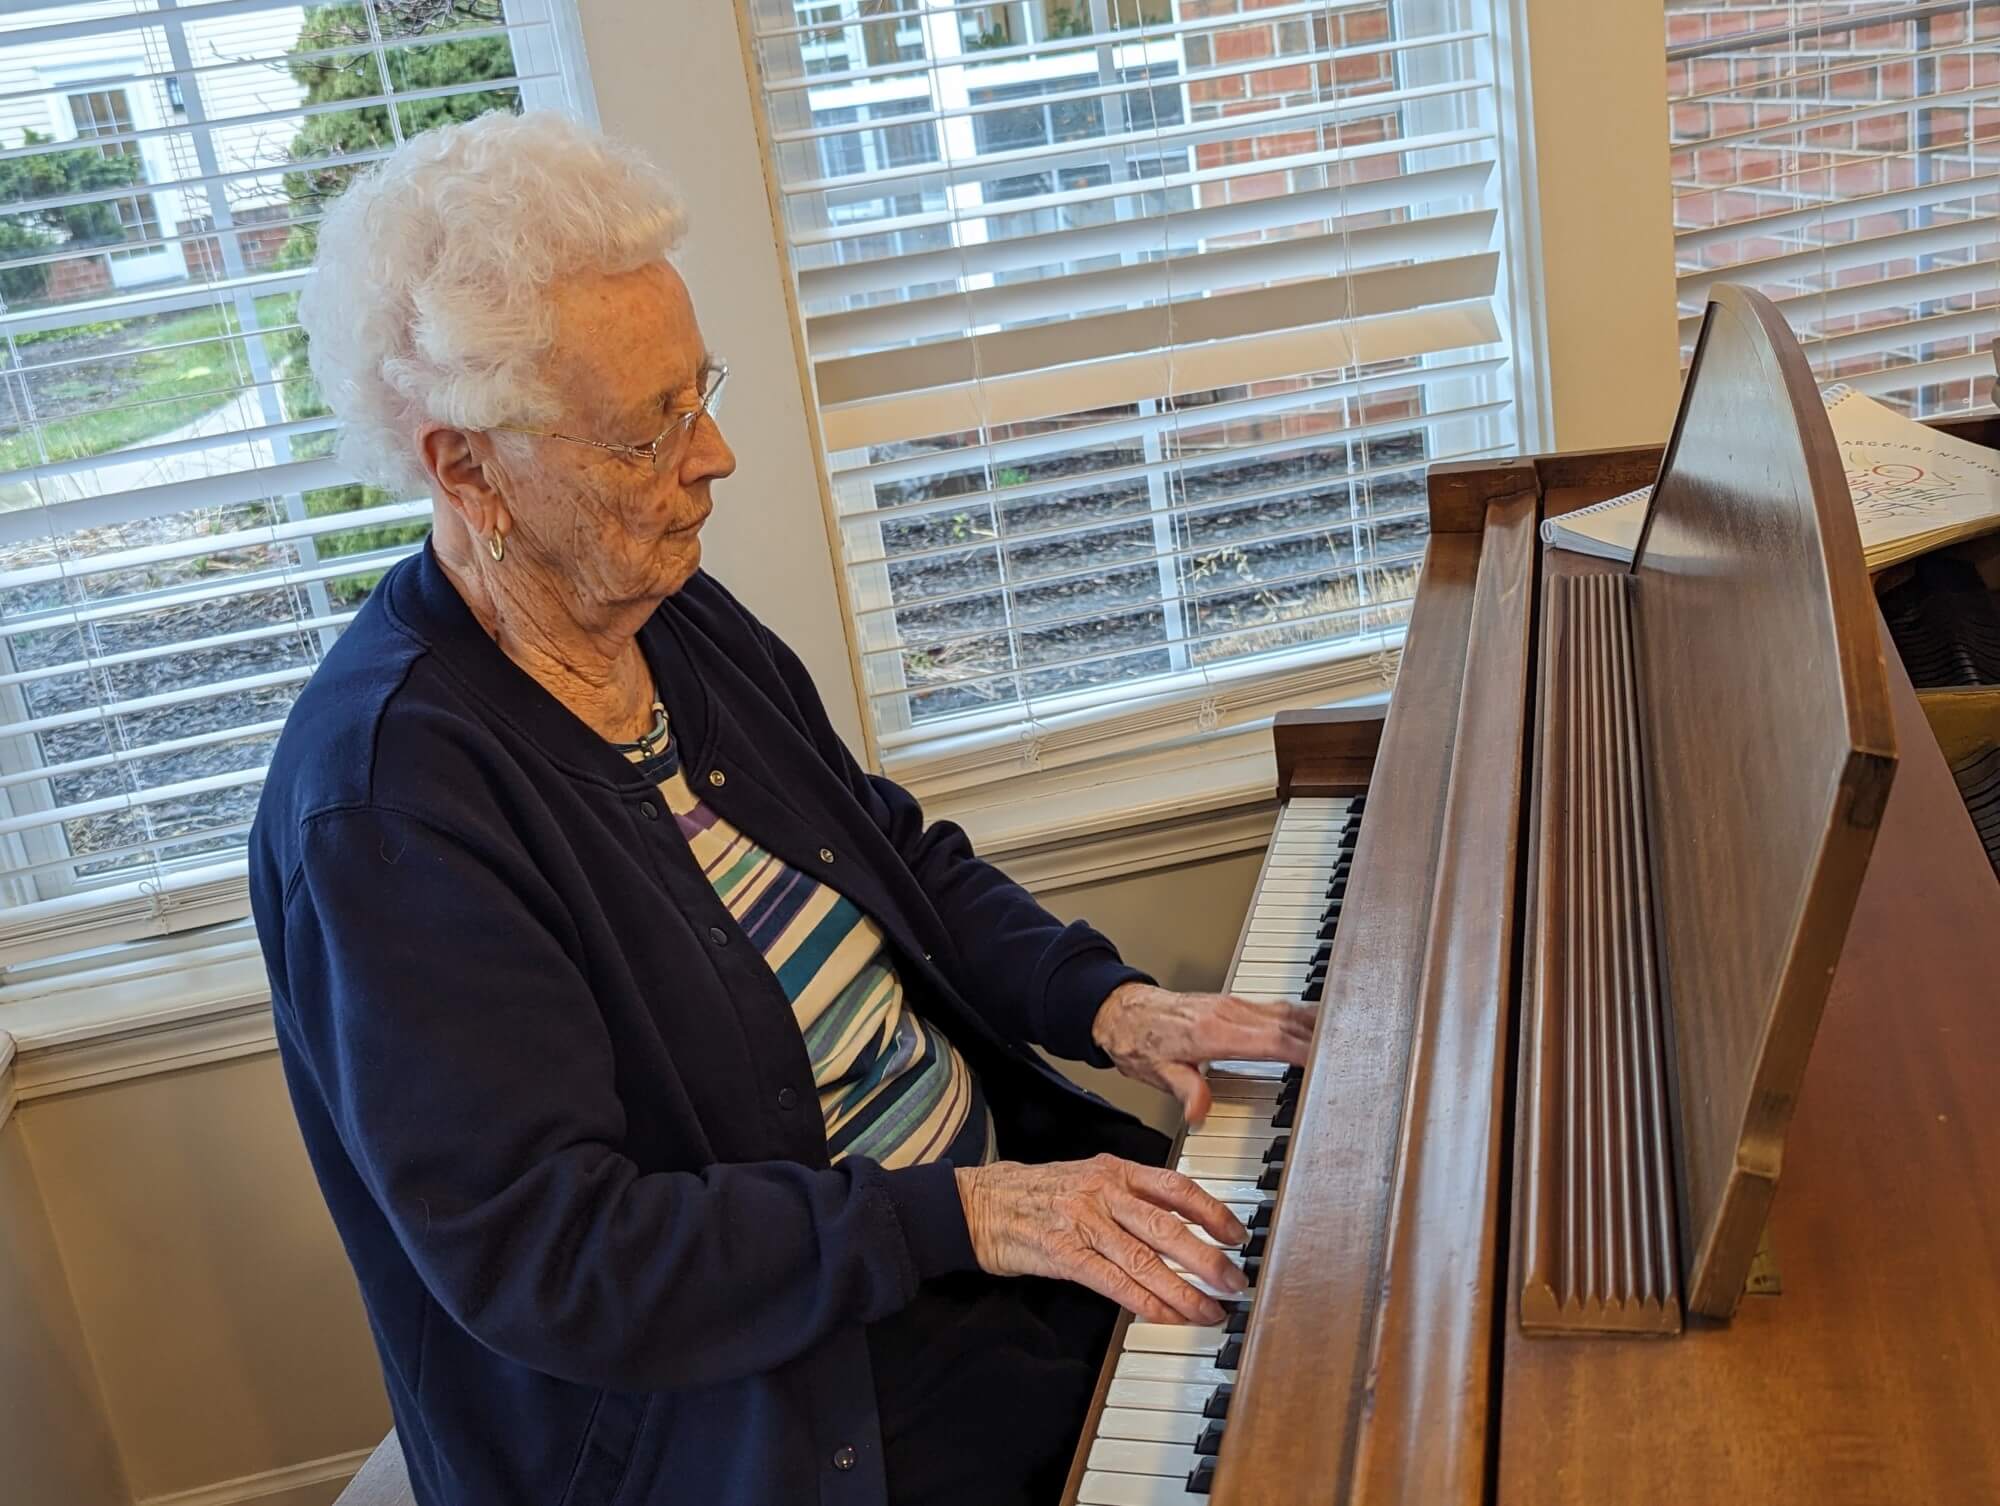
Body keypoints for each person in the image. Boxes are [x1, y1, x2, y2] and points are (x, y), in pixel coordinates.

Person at [249, 110, 1312, 1506]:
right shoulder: (389, 807)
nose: (714, 456)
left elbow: (892, 853)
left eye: (699, 392)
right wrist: (968, 1215)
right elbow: (559, 1256)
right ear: (468, 468)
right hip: (780, 1408)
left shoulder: (666, 615)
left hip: (970, 1247)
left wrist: (1106, 1003)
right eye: (648, 430)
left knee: (1326, 1294)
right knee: (1296, 1429)